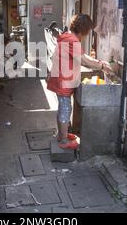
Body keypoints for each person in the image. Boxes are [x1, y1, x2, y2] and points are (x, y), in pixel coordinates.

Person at [46, 14, 113, 150]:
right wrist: (100, 66)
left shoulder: (68, 37)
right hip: (63, 81)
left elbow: (82, 56)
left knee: (63, 108)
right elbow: (83, 60)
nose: (87, 34)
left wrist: (98, 62)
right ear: (83, 29)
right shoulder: (72, 40)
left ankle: (61, 135)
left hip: (61, 79)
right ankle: (63, 141)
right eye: (87, 31)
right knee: (65, 109)